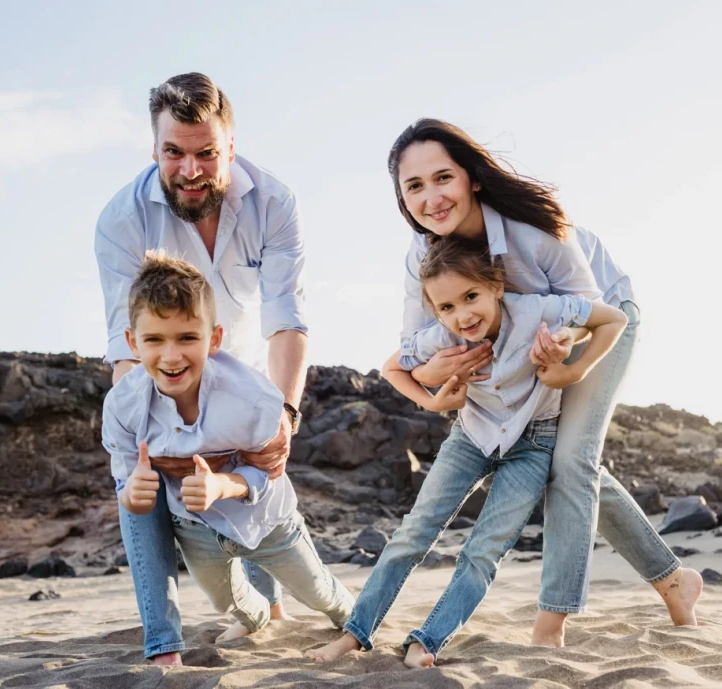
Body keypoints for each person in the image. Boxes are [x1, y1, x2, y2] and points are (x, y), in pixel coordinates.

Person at [309, 237, 627, 668]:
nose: (462, 315)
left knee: (484, 551)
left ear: (496, 285)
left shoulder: (539, 310)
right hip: (471, 438)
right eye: (447, 308)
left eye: (471, 296)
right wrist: (433, 401)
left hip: (534, 444)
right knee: (413, 533)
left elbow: (615, 318)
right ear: (435, 311)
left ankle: (428, 641)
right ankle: (355, 633)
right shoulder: (439, 338)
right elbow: (392, 368)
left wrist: (572, 369)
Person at [94, 72, 309, 664]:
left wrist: (285, 413)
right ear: (155, 148)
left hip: (242, 365)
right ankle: (163, 643)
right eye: (174, 153)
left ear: (230, 149)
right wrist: (139, 443)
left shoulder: (275, 202)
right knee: (136, 482)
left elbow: (286, 317)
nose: (191, 170)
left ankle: (272, 602)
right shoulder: (121, 220)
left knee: (252, 474)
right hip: (163, 362)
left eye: (206, 153)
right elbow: (125, 341)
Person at [104, 253, 353, 639]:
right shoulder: (122, 406)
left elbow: (268, 469)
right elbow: (125, 480)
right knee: (230, 603)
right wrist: (132, 495)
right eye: (154, 340)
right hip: (195, 527)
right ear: (132, 343)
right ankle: (256, 618)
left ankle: (356, 616)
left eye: (187, 337)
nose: (171, 356)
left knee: (317, 591)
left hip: (266, 521)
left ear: (214, 339)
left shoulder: (251, 399)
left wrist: (223, 485)